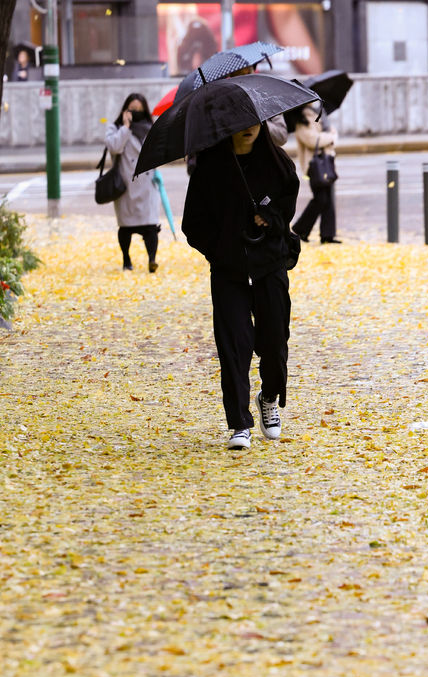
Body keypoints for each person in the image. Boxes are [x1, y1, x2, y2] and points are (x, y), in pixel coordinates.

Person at [182, 122, 299, 450]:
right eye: (239, 124)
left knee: (274, 342)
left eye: (253, 123)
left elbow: (287, 207)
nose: (248, 129)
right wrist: (222, 248)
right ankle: (239, 424)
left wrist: (271, 218)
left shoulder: (278, 164)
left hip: (269, 265)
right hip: (229, 271)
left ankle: (269, 396)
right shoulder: (210, 168)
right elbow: (192, 224)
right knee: (234, 345)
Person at [104, 94, 161, 272]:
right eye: (131, 110)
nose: (135, 113)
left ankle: (152, 260)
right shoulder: (116, 128)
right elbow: (113, 147)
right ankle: (126, 259)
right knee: (126, 227)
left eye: (139, 110)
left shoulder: (151, 128)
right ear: (124, 110)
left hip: (147, 186)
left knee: (151, 226)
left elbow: (158, 151)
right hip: (126, 186)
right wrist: (126, 127)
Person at [292, 104, 340, 244]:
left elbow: (325, 135)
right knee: (321, 199)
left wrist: (328, 134)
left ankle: (327, 235)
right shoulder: (302, 120)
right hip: (314, 166)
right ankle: (300, 229)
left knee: (328, 199)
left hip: (326, 162)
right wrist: (330, 137)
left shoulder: (318, 115)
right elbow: (312, 140)